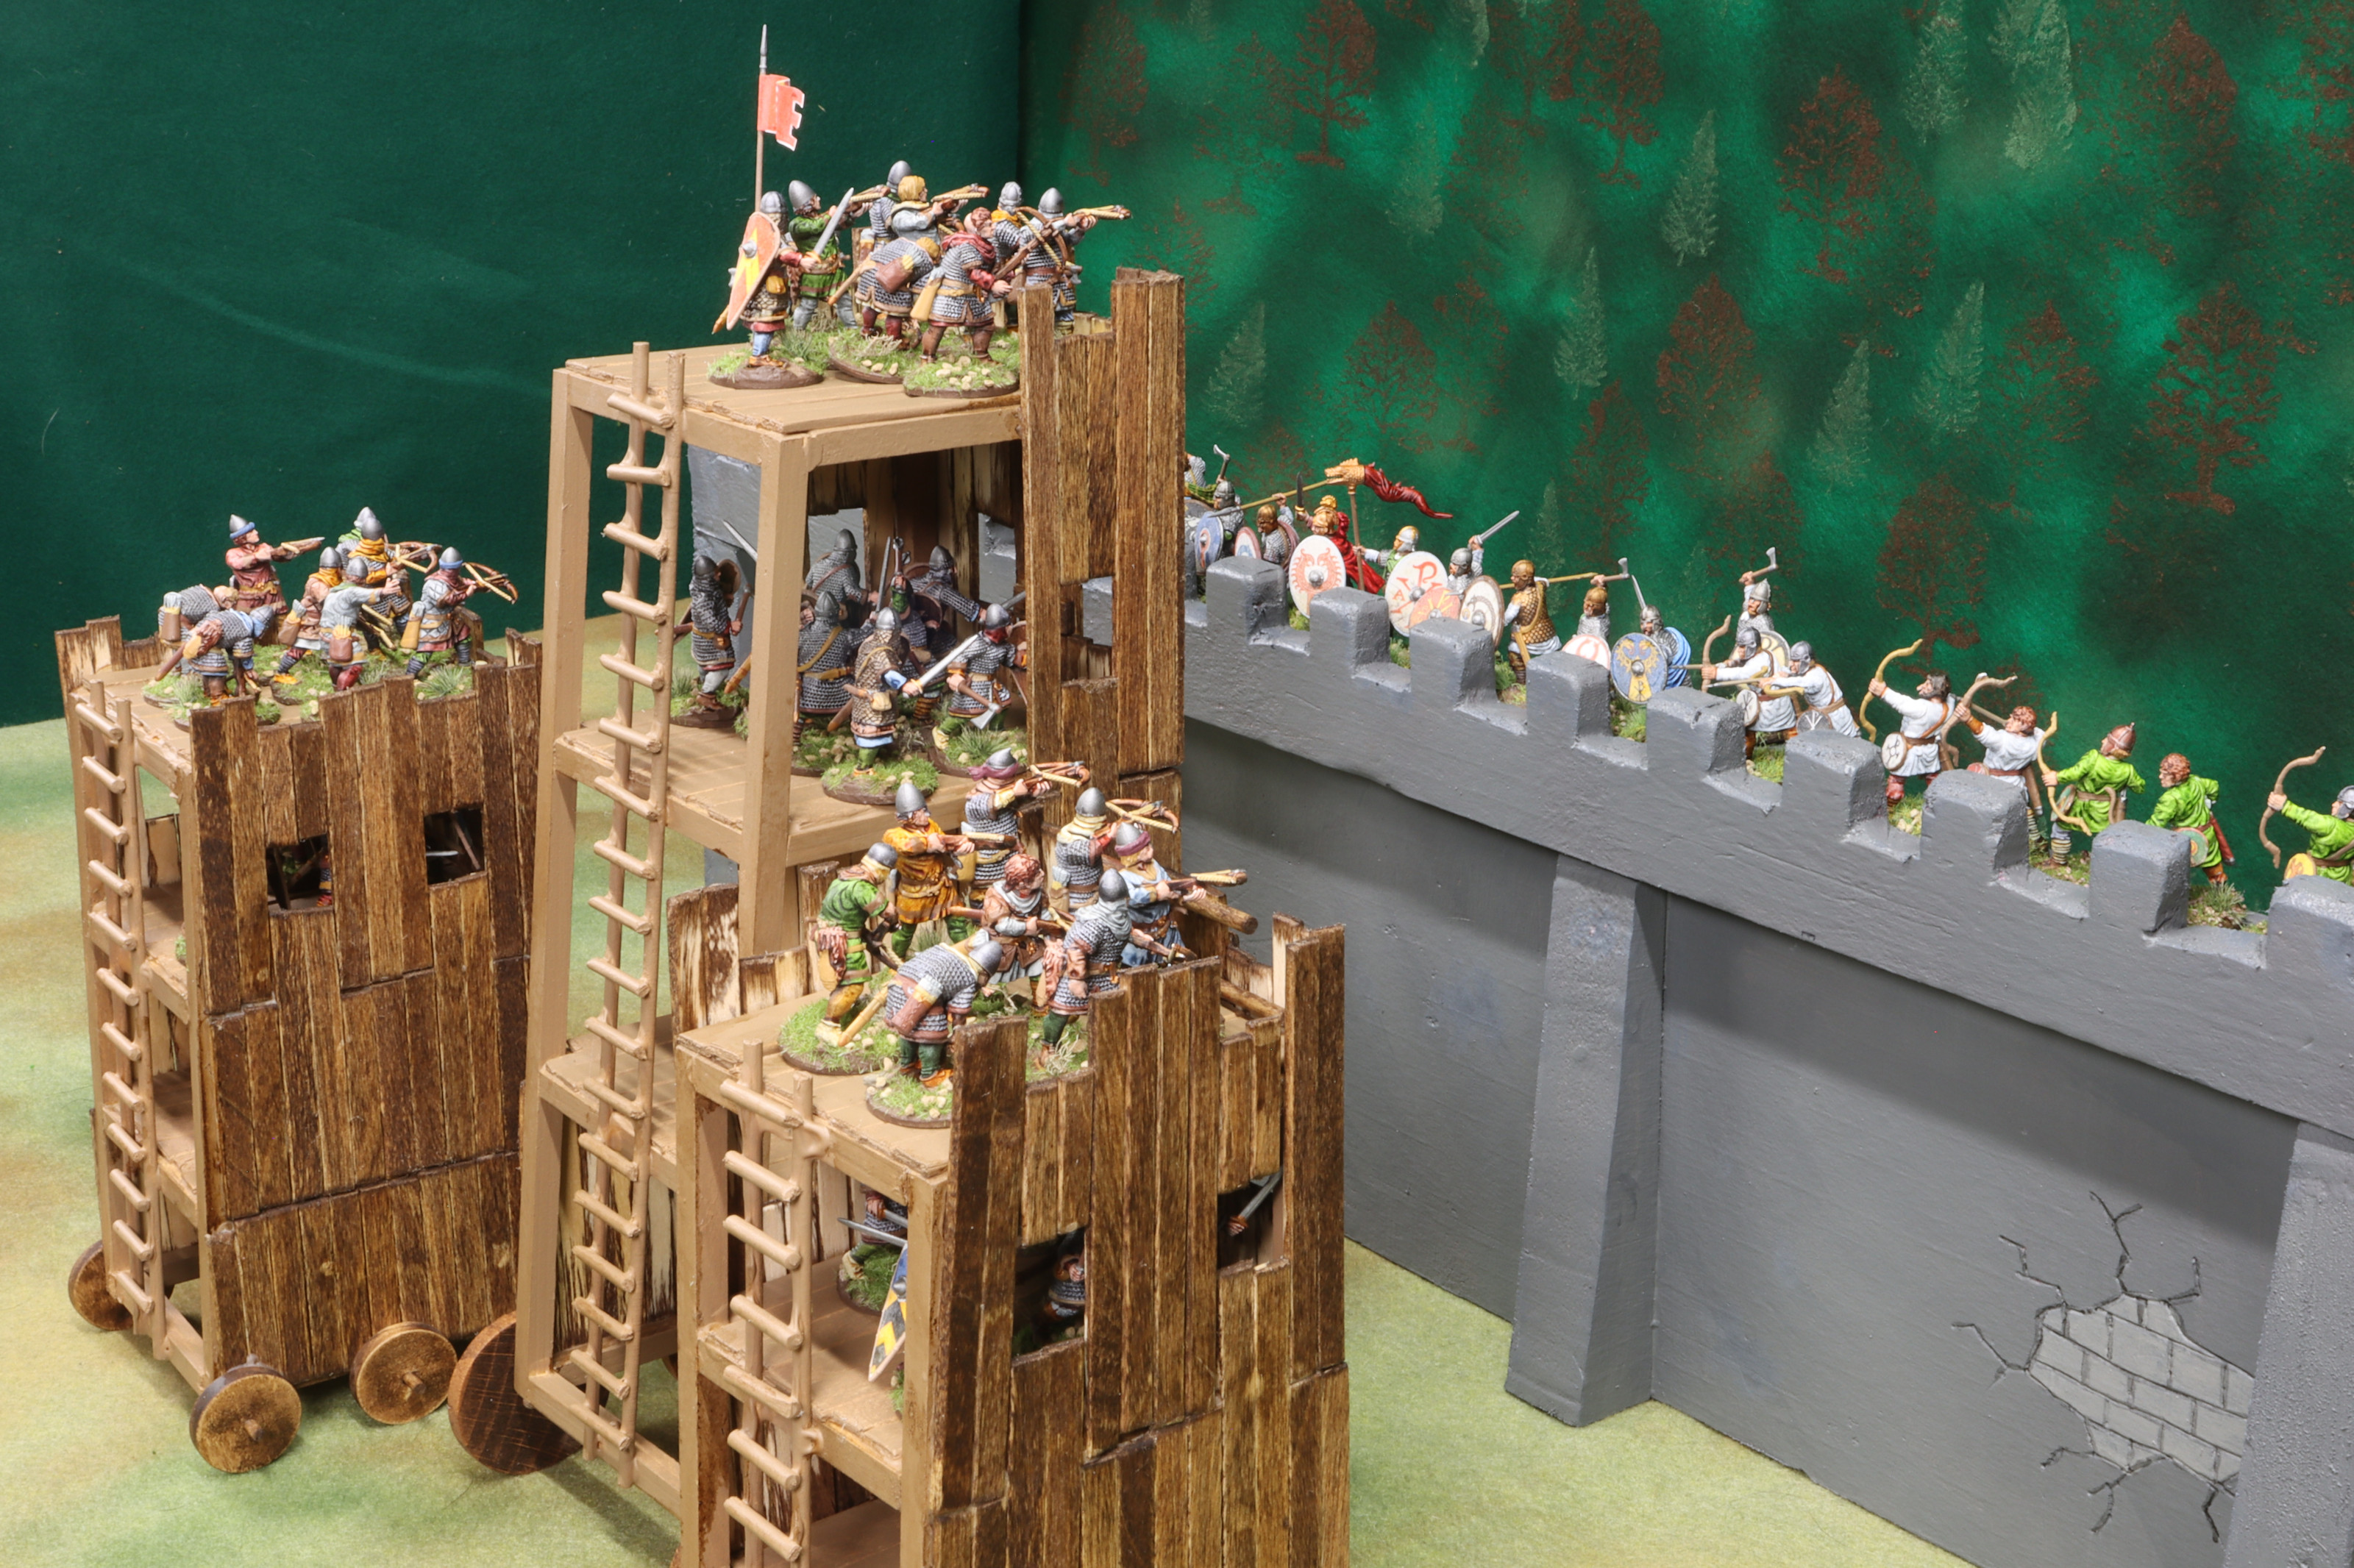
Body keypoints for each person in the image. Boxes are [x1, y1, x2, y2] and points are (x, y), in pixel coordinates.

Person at [881, 933, 1001, 1087]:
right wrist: (957, 1033)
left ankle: (908, 1064)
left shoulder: (948, 954)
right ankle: (930, 1074)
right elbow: (959, 1011)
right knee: (931, 1035)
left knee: (908, 1028)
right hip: (922, 993)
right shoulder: (969, 976)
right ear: (984, 973)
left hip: (898, 985)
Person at [1038, 869, 1132, 1051]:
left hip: (1108, 977)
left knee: (1112, 1011)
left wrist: (1141, 938)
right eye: (1122, 900)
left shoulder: (1120, 917)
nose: (1125, 903)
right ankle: (1048, 1048)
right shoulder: (1095, 923)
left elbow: (1121, 933)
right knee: (1061, 1012)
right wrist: (1076, 980)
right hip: (1079, 974)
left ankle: (1108, 1048)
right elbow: (1076, 950)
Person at [882, 780, 974, 957]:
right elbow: (906, 846)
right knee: (905, 931)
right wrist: (927, 843)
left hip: (942, 887)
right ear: (910, 816)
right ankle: (896, 963)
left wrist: (960, 848)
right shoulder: (894, 835)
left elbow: (944, 843)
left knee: (957, 920)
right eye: (921, 811)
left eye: (925, 810)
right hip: (914, 893)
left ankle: (966, 956)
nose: (926, 814)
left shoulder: (932, 826)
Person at [816, 845, 897, 1030]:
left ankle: (842, 1008)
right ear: (883, 870)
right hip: (844, 942)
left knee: (844, 981)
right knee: (853, 986)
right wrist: (893, 919)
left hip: (829, 936)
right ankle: (828, 1026)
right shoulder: (862, 887)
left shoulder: (842, 879)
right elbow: (888, 912)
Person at [917, 208, 1011, 362]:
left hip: (971, 295)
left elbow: (990, 269)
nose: (993, 227)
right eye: (989, 225)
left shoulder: (984, 245)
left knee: (986, 325)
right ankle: (927, 357)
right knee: (937, 327)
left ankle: (982, 356)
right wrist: (993, 285)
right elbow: (974, 272)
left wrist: (1010, 273)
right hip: (951, 295)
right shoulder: (968, 246)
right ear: (977, 229)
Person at [2041, 724, 2144, 859]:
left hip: (2079, 806)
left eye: (2107, 740)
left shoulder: (2094, 757)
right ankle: (2103, 862)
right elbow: (2140, 788)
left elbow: (2075, 772)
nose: (2103, 741)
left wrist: (2057, 777)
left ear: (2113, 747)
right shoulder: (2128, 770)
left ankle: (2058, 861)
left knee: (2061, 828)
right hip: (2104, 812)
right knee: (2107, 836)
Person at [1701, 625, 1797, 760]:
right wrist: (1729, 664)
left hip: (1771, 706)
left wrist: (1716, 673)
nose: (1739, 650)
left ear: (1752, 646)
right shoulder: (1764, 653)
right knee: (1749, 731)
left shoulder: (1760, 662)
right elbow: (1743, 663)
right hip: (1769, 703)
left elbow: (1743, 673)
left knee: (1786, 732)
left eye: (1743, 647)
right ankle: (1747, 758)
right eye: (1739, 646)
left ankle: (1797, 755)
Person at [1868, 670, 1955, 805]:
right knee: (1933, 779)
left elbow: (1901, 702)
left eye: (1928, 684)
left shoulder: (1922, 708)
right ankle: (1937, 807)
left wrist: (1883, 691)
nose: (1922, 687)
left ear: (1937, 689)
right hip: (1929, 751)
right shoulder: (1948, 708)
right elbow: (1951, 699)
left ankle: (1890, 809)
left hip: (1909, 752)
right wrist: (1951, 696)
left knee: (1896, 783)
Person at [680, 555, 744, 724]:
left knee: (706, 667)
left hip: (706, 640)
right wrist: (731, 625)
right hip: (710, 641)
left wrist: (725, 597)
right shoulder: (703, 599)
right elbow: (711, 622)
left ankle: (706, 688)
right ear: (707, 577)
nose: (719, 575)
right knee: (720, 669)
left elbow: (716, 599)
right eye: (715, 574)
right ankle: (706, 695)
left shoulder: (707, 588)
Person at [2147, 753, 2230, 886]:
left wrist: (2142, 834)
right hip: (2207, 835)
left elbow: (2156, 824)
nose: (2160, 777)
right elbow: (2214, 786)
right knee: (2214, 869)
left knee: (2172, 869)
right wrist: (2211, 801)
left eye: (2165, 774)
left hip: (2182, 841)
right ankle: (2220, 887)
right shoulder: (2197, 781)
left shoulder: (2170, 799)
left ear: (2176, 776)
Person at [270, 547, 344, 688]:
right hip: (312, 623)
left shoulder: (333, 580)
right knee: (299, 648)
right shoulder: (318, 584)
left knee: (332, 644)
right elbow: (327, 601)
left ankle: (337, 669)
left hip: (324, 621)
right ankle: (281, 673)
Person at [783, 180, 852, 331]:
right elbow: (815, 227)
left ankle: (852, 329)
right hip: (814, 275)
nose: (819, 199)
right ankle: (798, 332)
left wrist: (852, 214)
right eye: (815, 198)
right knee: (808, 306)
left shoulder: (822, 219)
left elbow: (840, 225)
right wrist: (830, 214)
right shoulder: (796, 224)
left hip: (834, 271)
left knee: (845, 300)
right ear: (808, 204)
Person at [401, 548, 478, 679]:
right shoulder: (433, 584)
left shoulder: (453, 579)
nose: (456, 572)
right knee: (426, 650)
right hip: (433, 623)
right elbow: (445, 601)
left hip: (450, 621)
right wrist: (467, 594)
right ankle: (409, 676)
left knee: (463, 635)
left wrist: (476, 584)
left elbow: (461, 583)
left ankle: (465, 663)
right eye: (453, 569)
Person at [796, 590, 858, 744]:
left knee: (798, 717)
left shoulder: (802, 634)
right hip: (839, 691)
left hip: (807, 693)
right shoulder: (845, 636)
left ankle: (796, 735)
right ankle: (855, 731)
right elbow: (864, 634)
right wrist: (871, 623)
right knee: (859, 694)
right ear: (837, 613)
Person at [1767, 641, 1861, 737]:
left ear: (1806, 660)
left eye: (1796, 661)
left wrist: (1773, 681)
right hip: (1821, 718)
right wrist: (1785, 674)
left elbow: (1801, 681)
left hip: (1837, 720)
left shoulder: (1816, 677)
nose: (1792, 664)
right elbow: (1795, 674)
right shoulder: (1810, 670)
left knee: (1846, 741)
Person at [2269, 783, 2354, 885]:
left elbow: (2307, 818)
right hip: (2343, 878)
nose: (2334, 804)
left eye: (2340, 803)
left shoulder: (2331, 825)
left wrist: (2284, 805)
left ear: (2347, 809)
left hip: (2319, 875)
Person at [1048, 787, 1114, 914]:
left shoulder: (1088, 834)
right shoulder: (1070, 843)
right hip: (1078, 900)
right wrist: (1110, 836)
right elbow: (1092, 850)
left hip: (1095, 894)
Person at [1498, 560, 1562, 683]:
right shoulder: (1540, 587)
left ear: (1525, 578)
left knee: (1514, 654)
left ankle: (1521, 682)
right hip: (1549, 637)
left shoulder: (1518, 599)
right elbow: (1544, 580)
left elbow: (1506, 620)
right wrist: (1532, 579)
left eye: (1516, 577)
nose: (1512, 579)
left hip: (1528, 640)